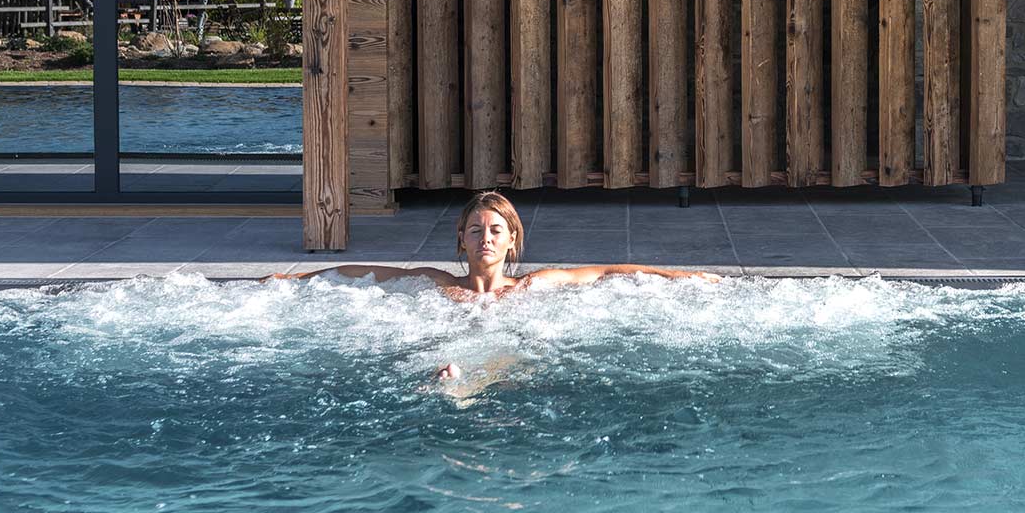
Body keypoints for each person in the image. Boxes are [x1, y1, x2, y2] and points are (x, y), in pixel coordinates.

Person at [269, 190, 724, 379]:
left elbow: (608, 272)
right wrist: (301, 279)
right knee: (452, 362)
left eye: (494, 231)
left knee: (498, 359)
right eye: (474, 231)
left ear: (511, 242)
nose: (484, 238)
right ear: (461, 241)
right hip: (455, 345)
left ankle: (463, 383)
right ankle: (457, 381)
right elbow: (368, 275)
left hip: (508, 353)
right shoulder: (438, 283)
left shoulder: (532, 286)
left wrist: (681, 275)